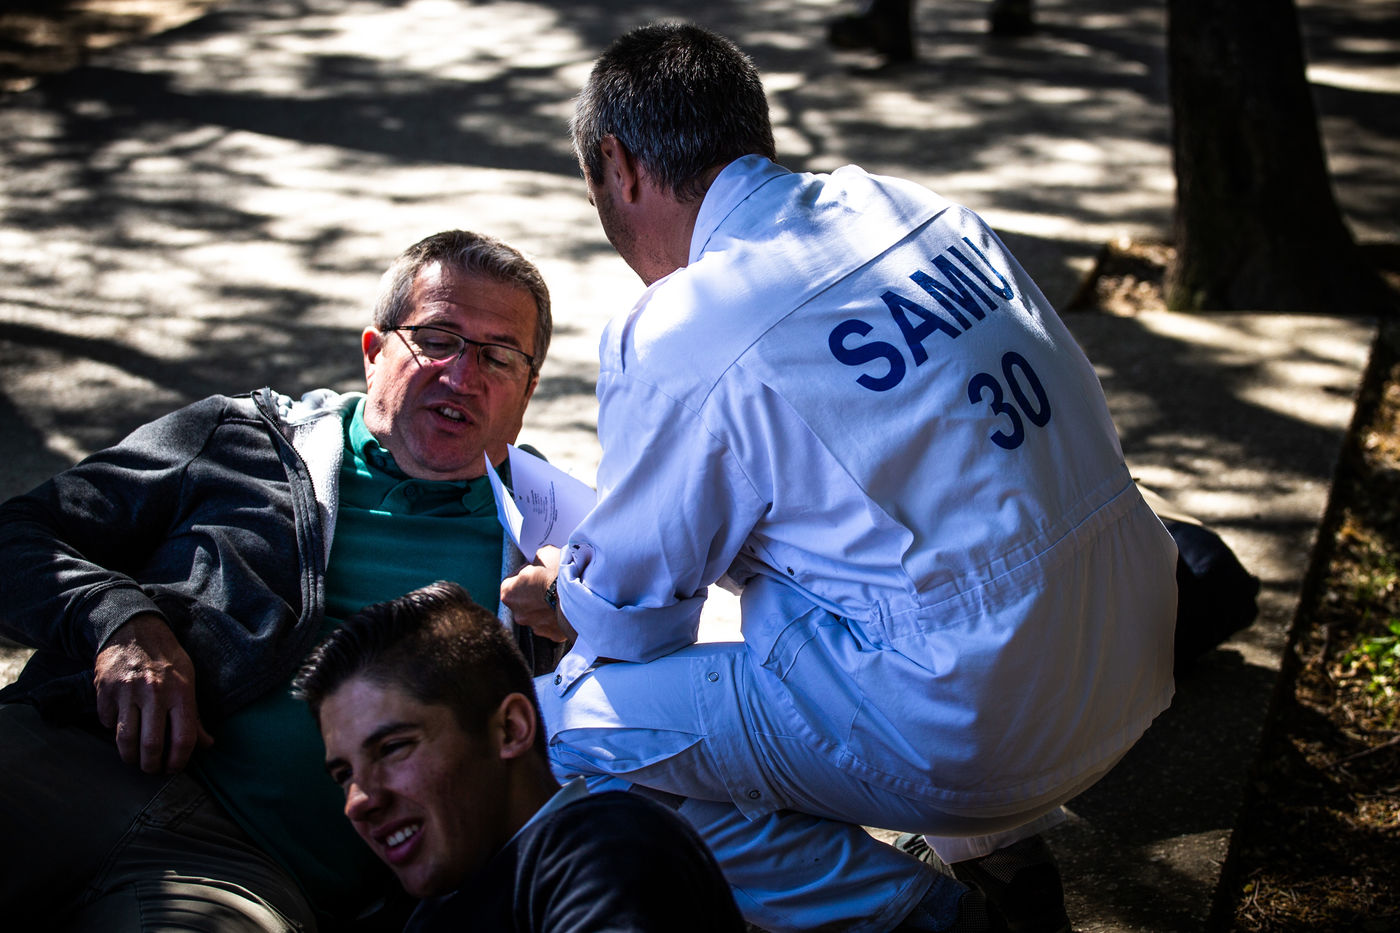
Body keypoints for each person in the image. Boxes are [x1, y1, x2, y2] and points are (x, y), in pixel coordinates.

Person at [502, 22, 1179, 933]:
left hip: (976, 729)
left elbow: (635, 622)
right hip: (1133, 647)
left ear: (617, 168)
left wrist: (566, 593)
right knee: (875, 552)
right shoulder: (914, 207)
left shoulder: (682, 324)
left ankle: (915, 916)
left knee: (561, 736)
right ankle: (1004, 856)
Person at [0, 229, 560, 931]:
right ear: (374, 351)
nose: (462, 374)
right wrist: (120, 624)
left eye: (499, 355)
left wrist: (591, 617)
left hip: (244, 876)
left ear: (529, 389)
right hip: (75, 761)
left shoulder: (558, 539)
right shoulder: (245, 439)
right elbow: (18, 534)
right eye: (437, 339)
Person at [294, 580, 746, 933]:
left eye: (392, 748)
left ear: (510, 729)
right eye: (344, 774)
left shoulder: (606, 846)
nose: (358, 801)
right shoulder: (433, 914)